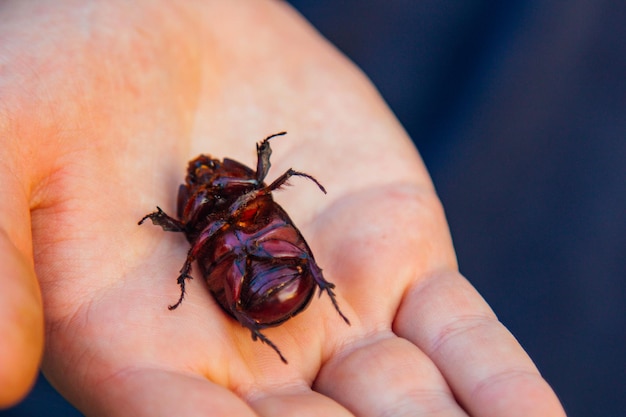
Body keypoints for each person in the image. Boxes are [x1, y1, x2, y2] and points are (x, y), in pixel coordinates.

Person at [0, 1, 566, 416]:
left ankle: (303, 302)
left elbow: (236, 211)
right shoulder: (213, 209)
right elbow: (199, 232)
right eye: (201, 179)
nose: (204, 176)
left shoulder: (243, 194)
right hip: (263, 279)